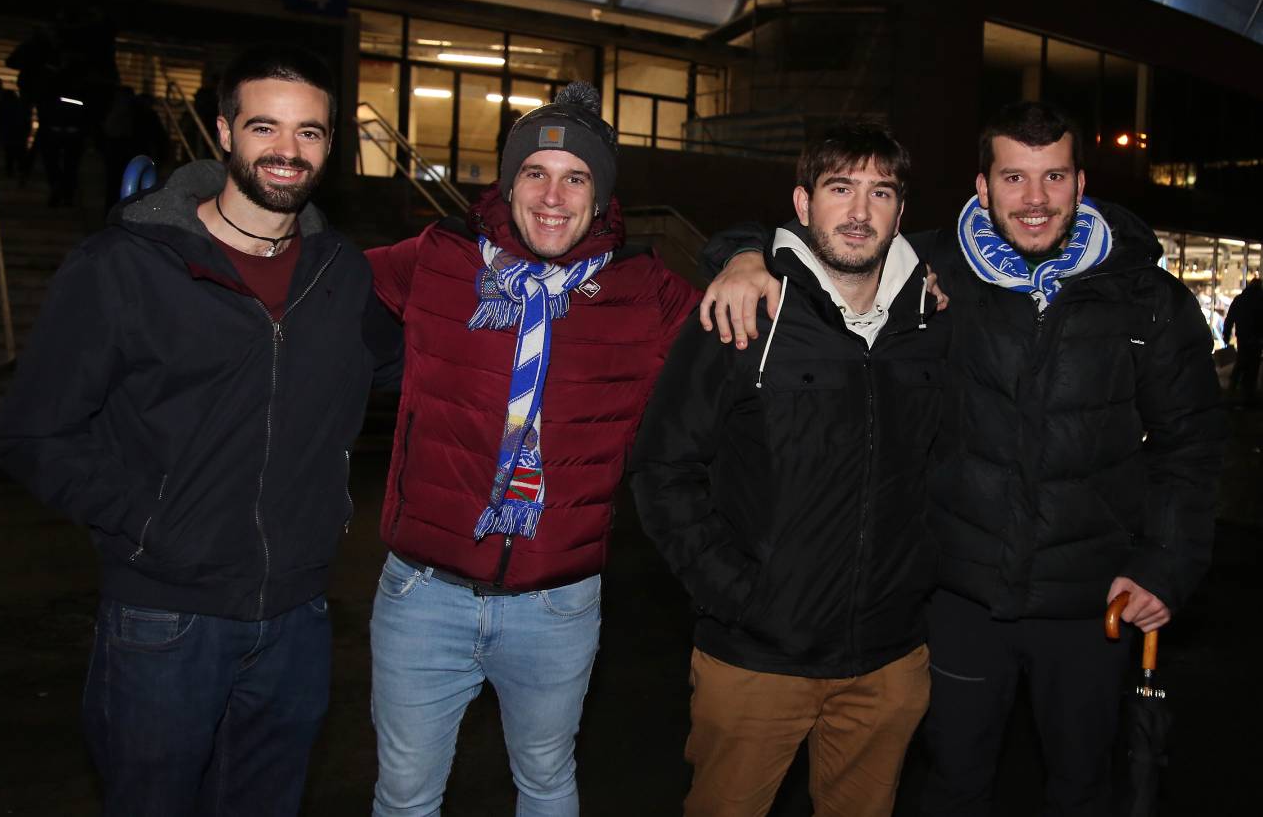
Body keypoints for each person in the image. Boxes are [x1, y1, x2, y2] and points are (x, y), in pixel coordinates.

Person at [703, 101, 1224, 816]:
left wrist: (1165, 563)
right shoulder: (928, 269)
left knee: (1082, 789)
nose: (1034, 199)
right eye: (1013, 177)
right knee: (953, 786)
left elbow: (1190, 444)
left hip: (1092, 602)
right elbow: (822, 241)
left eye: (1053, 177)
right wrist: (740, 257)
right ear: (982, 186)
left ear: (1080, 184)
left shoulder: (1147, 299)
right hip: (957, 599)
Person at [0, 43, 401, 815]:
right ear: (222, 131)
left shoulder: (341, 275)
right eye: (264, 126)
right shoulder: (125, 266)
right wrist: (150, 524)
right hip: (165, 616)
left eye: (309, 131)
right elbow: (32, 434)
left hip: (298, 617)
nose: (287, 150)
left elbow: (423, 368)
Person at [361, 81, 700, 816]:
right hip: (423, 596)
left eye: (576, 178)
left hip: (557, 605)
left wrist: (746, 255)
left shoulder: (644, 291)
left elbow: (754, 324)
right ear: (507, 184)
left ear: (600, 198)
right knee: (405, 796)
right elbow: (309, 277)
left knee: (546, 779)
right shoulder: (439, 259)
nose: (553, 196)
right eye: (535, 173)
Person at [629, 123, 946, 817]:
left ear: (900, 212)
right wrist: (738, 596)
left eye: (880, 192)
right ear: (803, 204)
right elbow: (661, 467)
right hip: (756, 661)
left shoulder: (929, 322)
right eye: (840, 188)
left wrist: (917, 581)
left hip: (889, 660)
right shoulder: (744, 312)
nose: (859, 212)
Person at [1224, 276, 1262, 403]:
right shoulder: (1261, 299)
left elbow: (1230, 318)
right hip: (1257, 338)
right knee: (1253, 366)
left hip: (1243, 336)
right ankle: (1248, 393)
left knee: (1241, 362)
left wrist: (1226, 334)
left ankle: (1232, 390)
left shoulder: (1240, 299)